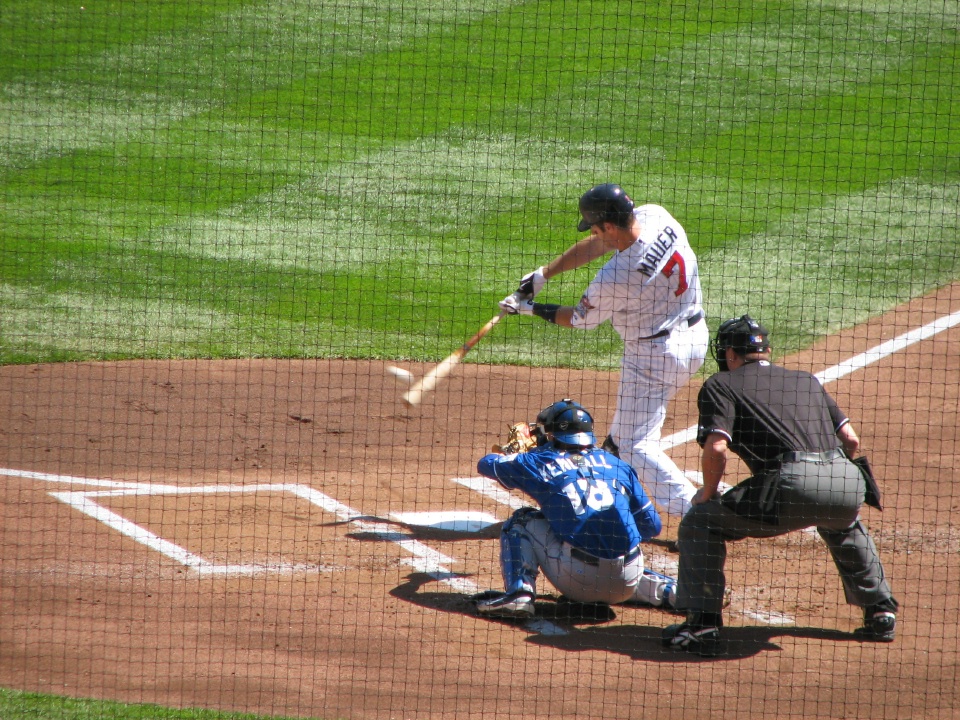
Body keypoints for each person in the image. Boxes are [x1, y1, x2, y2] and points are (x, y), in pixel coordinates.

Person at [662, 315, 899, 656]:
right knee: (843, 523)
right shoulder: (806, 379)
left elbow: (717, 448)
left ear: (729, 354)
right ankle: (880, 612)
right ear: (767, 350)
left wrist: (708, 493)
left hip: (792, 484)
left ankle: (702, 626)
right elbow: (850, 440)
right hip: (847, 480)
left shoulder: (720, 384)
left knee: (700, 522)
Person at [501, 184, 708, 517]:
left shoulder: (617, 277)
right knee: (620, 439)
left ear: (610, 225)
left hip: (653, 356)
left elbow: (579, 321)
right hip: (694, 335)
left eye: (596, 226)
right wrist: (544, 274)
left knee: (636, 444)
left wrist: (528, 308)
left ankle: (696, 516)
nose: (594, 233)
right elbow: (599, 244)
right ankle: (615, 496)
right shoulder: (655, 215)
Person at [473, 398, 677, 619]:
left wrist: (514, 455)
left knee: (521, 520)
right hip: (627, 579)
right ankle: (680, 593)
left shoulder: (537, 461)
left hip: (576, 580)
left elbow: (485, 464)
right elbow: (652, 526)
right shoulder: (619, 465)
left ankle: (519, 595)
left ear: (551, 436)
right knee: (615, 560)